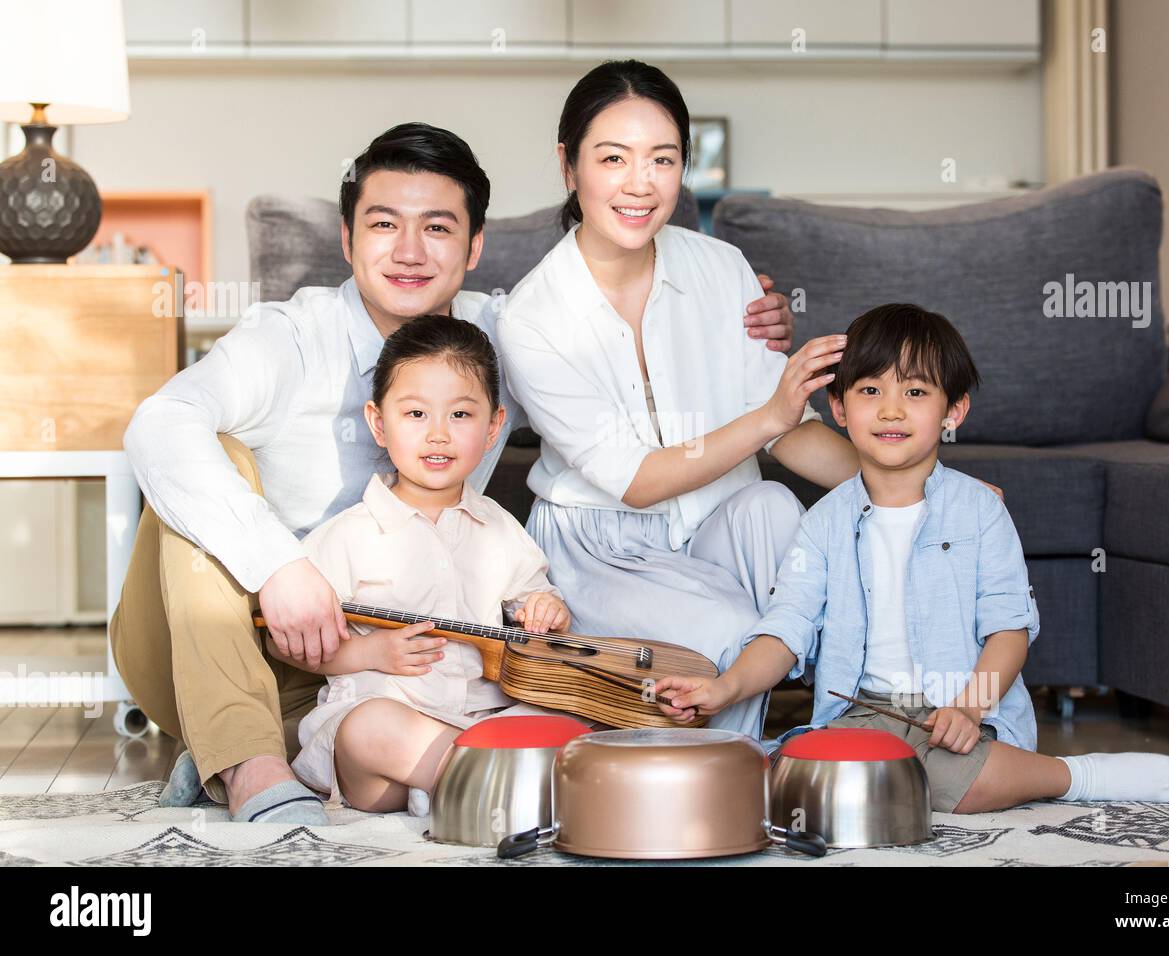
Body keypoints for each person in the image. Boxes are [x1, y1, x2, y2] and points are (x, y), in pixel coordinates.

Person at [110, 120, 796, 823]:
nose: (410, 252)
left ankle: (291, 750)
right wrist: (278, 567)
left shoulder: (502, 338)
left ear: (474, 248)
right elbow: (157, 425)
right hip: (230, 640)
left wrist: (735, 319)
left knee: (397, 724)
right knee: (208, 456)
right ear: (347, 241)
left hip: (386, 675)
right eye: (384, 225)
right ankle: (250, 763)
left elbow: (624, 378)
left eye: (438, 228)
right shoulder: (288, 338)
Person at [656, 303, 1169, 812]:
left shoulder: (980, 511)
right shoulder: (821, 523)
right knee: (796, 777)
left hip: (959, 712)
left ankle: (1073, 777)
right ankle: (910, 775)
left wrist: (969, 707)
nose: (891, 409)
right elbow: (786, 627)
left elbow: (1008, 630)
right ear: (838, 409)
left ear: (953, 411)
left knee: (951, 775)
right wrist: (725, 686)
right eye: (870, 390)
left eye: (915, 391)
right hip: (863, 712)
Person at [496, 61, 863, 740]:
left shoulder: (720, 269)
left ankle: (838, 746)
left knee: (780, 512)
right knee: (730, 628)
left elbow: (789, 435)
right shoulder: (531, 319)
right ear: (568, 166)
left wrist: (923, 483)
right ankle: (733, 779)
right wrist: (766, 418)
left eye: (662, 160)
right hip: (603, 547)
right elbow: (637, 481)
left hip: (717, 519)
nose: (640, 184)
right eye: (613, 158)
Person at [284, 315, 579, 815]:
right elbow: (289, 642)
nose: (438, 435)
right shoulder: (347, 535)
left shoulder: (500, 528)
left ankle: (460, 788)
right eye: (416, 414)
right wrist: (371, 652)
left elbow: (533, 594)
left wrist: (546, 609)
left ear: (492, 428)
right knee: (369, 727)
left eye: (461, 416)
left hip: (481, 720)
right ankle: (506, 786)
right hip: (384, 746)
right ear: (380, 424)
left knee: (568, 714)